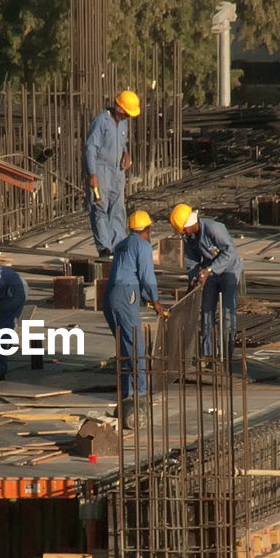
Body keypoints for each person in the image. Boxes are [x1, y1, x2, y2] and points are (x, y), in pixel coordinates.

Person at [103, 211, 168, 423]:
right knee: (136, 347)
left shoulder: (122, 244)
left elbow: (126, 272)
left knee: (124, 348)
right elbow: (147, 277)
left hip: (110, 295)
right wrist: (156, 301)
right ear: (147, 230)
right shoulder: (143, 246)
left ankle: (125, 396)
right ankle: (139, 397)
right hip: (125, 294)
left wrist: (143, 298)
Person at [169, 203, 242, 358]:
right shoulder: (188, 237)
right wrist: (194, 276)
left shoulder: (213, 228)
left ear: (189, 224)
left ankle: (226, 354)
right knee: (207, 311)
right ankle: (207, 355)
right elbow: (191, 259)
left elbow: (229, 252)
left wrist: (210, 269)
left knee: (227, 312)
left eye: (182, 229)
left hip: (228, 269)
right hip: (209, 272)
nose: (182, 232)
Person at [84, 90, 139, 257]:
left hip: (117, 172)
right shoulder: (101, 121)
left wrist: (126, 153)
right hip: (101, 170)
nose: (128, 117)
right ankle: (104, 248)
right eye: (127, 113)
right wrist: (92, 173)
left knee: (118, 208)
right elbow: (90, 148)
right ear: (120, 109)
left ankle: (118, 245)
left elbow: (122, 143)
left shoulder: (123, 124)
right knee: (100, 208)